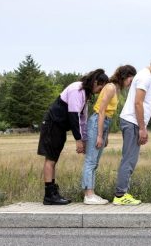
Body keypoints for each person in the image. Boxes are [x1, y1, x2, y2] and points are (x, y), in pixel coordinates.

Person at [37, 69, 108, 205]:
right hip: (52, 124)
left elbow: (82, 120)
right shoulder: (77, 89)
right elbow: (73, 116)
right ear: (96, 82)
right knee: (50, 160)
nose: (100, 91)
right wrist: (78, 140)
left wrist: (85, 140)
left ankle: (52, 192)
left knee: (53, 160)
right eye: (101, 87)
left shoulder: (85, 94)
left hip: (59, 127)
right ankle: (49, 195)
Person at [113, 47, 151, 205]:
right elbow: (138, 103)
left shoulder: (145, 76)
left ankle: (123, 193)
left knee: (130, 159)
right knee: (129, 160)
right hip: (132, 122)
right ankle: (120, 196)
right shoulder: (145, 77)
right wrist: (142, 128)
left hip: (133, 122)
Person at [82, 65, 137, 205]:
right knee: (91, 161)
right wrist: (100, 135)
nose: (132, 82)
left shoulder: (116, 89)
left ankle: (91, 193)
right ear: (125, 76)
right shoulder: (111, 87)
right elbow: (101, 111)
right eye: (131, 78)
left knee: (95, 162)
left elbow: (109, 114)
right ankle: (88, 195)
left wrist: (106, 135)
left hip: (104, 123)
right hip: (97, 123)